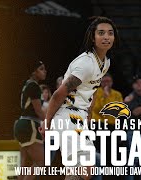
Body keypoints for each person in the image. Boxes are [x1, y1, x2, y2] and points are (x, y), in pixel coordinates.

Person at [40, 16, 119, 180]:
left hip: (79, 117)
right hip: (66, 115)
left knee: (82, 171)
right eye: (101, 33)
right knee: (82, 169)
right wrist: (47, 124)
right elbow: (58, 94)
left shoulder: (105, 62)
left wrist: (89, 114)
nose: (106, 37)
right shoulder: (85, 63)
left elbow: (94, 87)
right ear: (93, 37)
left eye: (110, 33)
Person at [14, 60, 47, 180]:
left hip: (21, 123)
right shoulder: (34, 86)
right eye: (41, 69)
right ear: (34, 72)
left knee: (24, 161)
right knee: (40, 162)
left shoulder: (27, 84)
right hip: (30, 124)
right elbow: (38, 110)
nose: (45, 71)